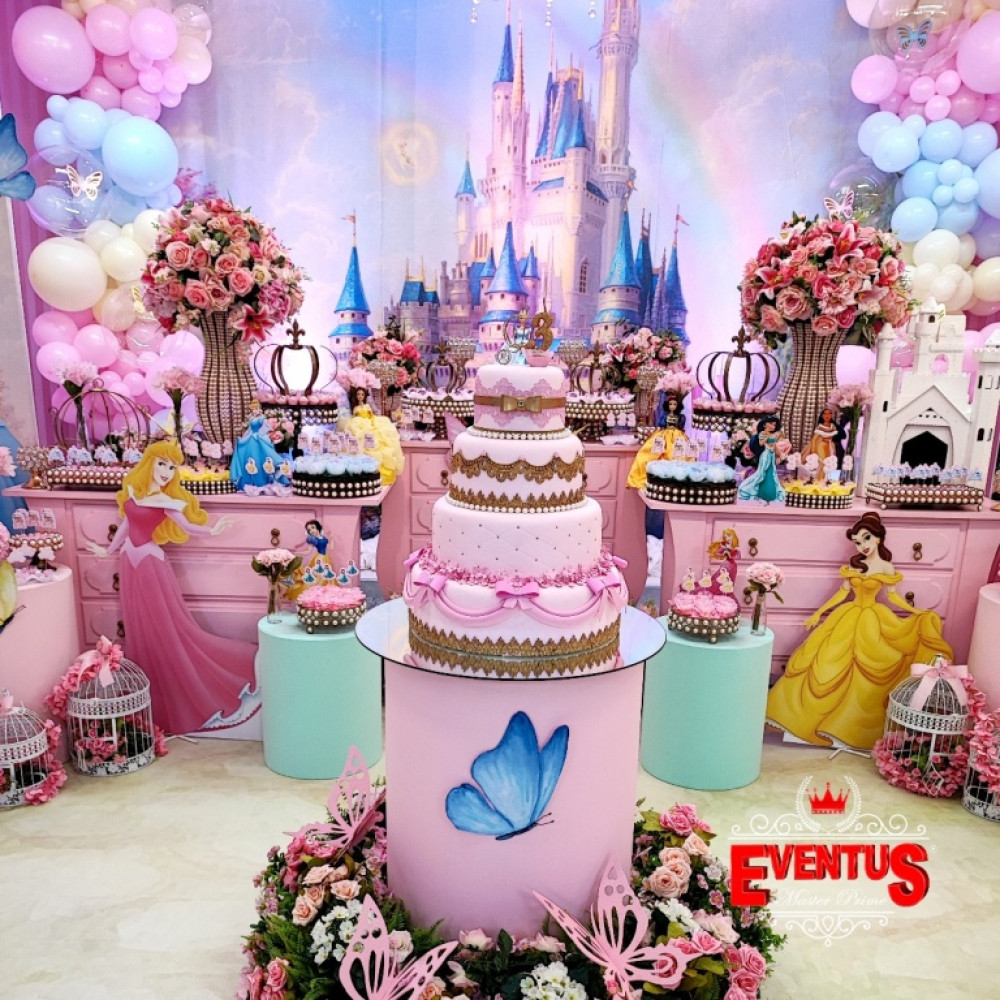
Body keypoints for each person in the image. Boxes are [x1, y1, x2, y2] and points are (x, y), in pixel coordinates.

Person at [87, 440, 259, 735]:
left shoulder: (167, 502)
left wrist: (213, 530)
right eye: (162, 464)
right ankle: (147, 684)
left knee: (164, 625)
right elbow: (126, 525)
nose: (166, 471)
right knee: (138, 624)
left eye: (171, 467)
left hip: (150, 564)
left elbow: (189, 527)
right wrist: (108, 550)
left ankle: (178, 688)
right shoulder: (134, 492)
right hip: (129, 562)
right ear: (149, 463)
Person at [765, 511, 953, 751]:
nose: (862, 545)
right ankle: (803, 722)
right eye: (857, 541)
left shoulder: (886, 567)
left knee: (867, 668)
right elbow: (842, 593)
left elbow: (893, 597)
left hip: (872, 620)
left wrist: (915, 612)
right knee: (827, 662)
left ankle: (847, 728)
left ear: (878, 538)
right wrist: (819, 613)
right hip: (848, 616)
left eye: (866, 538)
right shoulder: (853, 566)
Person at [627, 393, 691, 490]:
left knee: (677, 454)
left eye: (674, 404)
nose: (672, 406)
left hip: (677, 436)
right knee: (652, 452)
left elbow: (681, 426)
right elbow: (661, 424)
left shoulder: (681, 417)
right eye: (670, 404)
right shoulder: (665, 416)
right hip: (664, 434)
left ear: (678, 406)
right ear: (667, 405)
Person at [342, 385, 404, 484]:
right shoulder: (356, 408)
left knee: (378, 436)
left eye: (362, 394)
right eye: (358, 394)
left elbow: (372, 415)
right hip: (358, 424)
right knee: (358, 438)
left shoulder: (367, 406)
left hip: (369, 422)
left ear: (365, 396)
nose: (360, 396)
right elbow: (354, 417)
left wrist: (372, 423)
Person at [230, 412, 291, 494]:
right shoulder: (252, 418)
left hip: (258, 440)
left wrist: (272, 426)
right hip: (252, 440)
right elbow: (250, 430)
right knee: (250, 460)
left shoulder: (263, 419)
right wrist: (244, 438)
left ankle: (260, 482)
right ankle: (249, 482)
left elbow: (263, 431)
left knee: (258, 460)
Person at [737, 416, 786, 502]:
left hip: (771, 455)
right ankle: (760, 492)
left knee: (772, 472)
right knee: (762, 472)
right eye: (771, 424)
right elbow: (761, 443)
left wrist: (780, 454)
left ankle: (770, 493)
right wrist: (767, 437)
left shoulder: (772, 435)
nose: (773, 426)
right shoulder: (762, 433)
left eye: (774, 425)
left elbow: (775, 446)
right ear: (764, 424)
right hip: (765, 455)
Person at [804, 407, 843, 475]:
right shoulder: (820, 427)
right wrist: (813, 451)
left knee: (829, 463)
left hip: (830, 446)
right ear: (822, 416)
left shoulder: (833, 426)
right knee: (822, 462)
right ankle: (818, 477)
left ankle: (825, 478)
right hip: (821, 446)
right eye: (825, 414)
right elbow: (814, 439)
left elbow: (836, 437)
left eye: (829, 414)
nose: (827, 416)